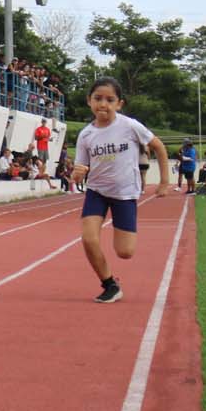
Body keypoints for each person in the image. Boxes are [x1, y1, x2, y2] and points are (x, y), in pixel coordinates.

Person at [70, 77, 170, 303]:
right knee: (88, 238)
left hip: (125, 193)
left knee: (125, 252)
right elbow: (79, 170)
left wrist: (164, 181)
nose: (103, 104)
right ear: (89, 101)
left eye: (109, 99)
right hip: (96, 190)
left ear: (119, 104)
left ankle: (114, 273)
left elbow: (159, 147)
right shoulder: (86, 135)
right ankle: (109, 284)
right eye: (97, 99)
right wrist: (77, 174)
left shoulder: (129, 126)